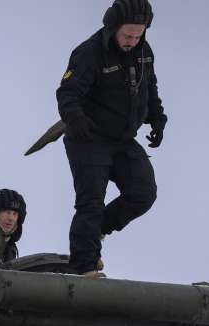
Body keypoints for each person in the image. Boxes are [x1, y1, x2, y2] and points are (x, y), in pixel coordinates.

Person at [56, 0, 165, 278]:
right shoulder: (89, 53)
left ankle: (96, 231)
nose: (132, 41)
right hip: (89, 138)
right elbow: (67, 93)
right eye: (128, 35)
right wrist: (76, 119)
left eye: (138, 36)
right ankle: (84, 267)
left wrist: (157, 117)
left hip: (123, 139)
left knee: (143, 193)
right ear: (113, 26)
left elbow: (149, 86)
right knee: (91, 202)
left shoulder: (144, 52)